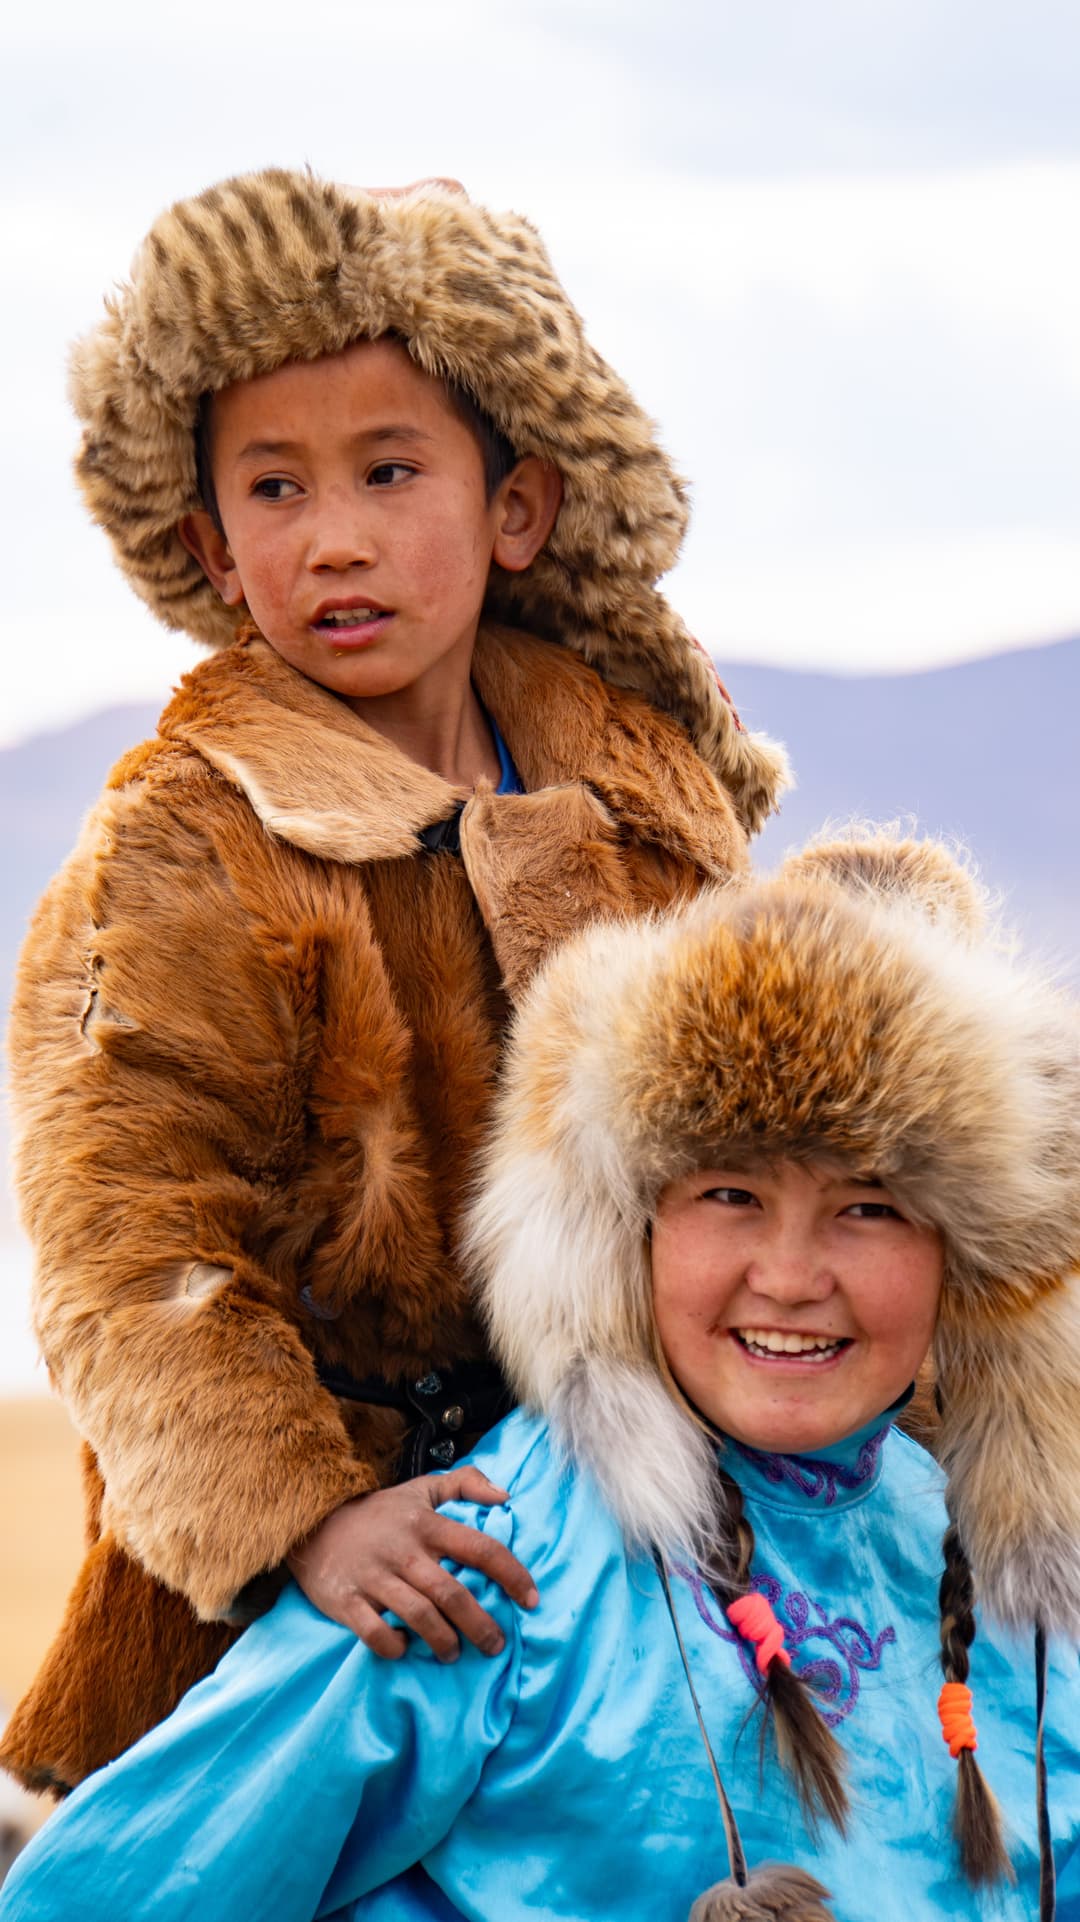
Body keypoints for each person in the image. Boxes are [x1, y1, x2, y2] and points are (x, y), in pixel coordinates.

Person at [2, 169, 791, 1798]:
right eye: (274, 489)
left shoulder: (634, 777)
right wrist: (298, 1514)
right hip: (329, 1586)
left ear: (517, 506)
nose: (334, 537)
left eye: (387, 469)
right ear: (212, 548)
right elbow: (124, 1242)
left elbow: (775, 1133)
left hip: (651, 1527)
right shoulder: (188, 840)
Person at [4, 830, 1080, 1921]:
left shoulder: (1004, 1570)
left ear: (967, 1248)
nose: (793, 1276)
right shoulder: (493, 1561)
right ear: (628, 1224)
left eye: (870, 1205)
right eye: (729, 1194)